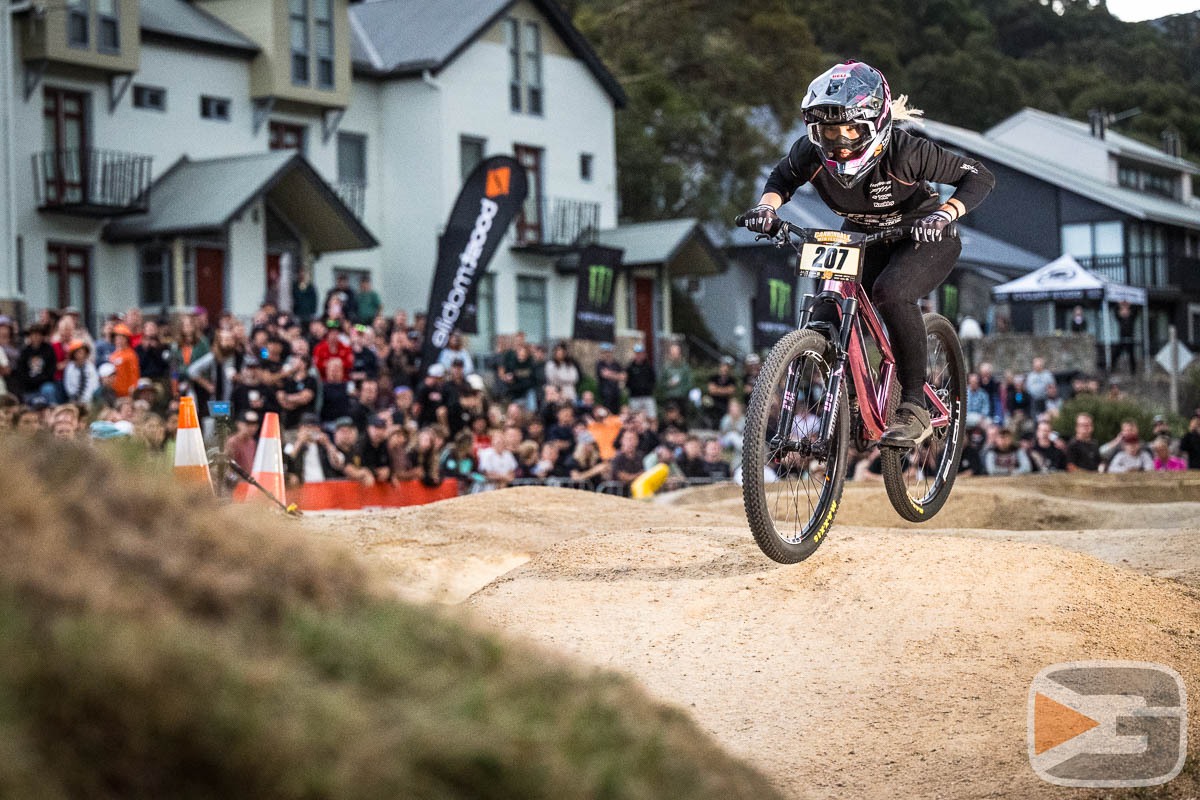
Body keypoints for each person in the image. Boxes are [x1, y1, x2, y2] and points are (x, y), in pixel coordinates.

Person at [741, 60, 993, 447]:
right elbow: (781, 178)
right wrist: (766, 209)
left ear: (876, 124)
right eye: (829, 131)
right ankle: (853, 397)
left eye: (851, 129)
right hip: (861, 235)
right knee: (826, 314)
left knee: (891, 292)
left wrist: (945, 214)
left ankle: (914, 406)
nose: (840, 141)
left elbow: (978, 176)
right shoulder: (810, 153)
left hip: (923, 233)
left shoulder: (906, 151)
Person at [625, 343, 657, 420]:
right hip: (635, 397)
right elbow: (627, 381)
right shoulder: (630, 367)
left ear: (643, 354)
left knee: (651, 417)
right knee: (635, 418)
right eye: (637, 353)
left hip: (647, 396)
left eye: (640, 353)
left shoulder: (648, 366)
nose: (639, 355)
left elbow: (653, 379)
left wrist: (649, 388)